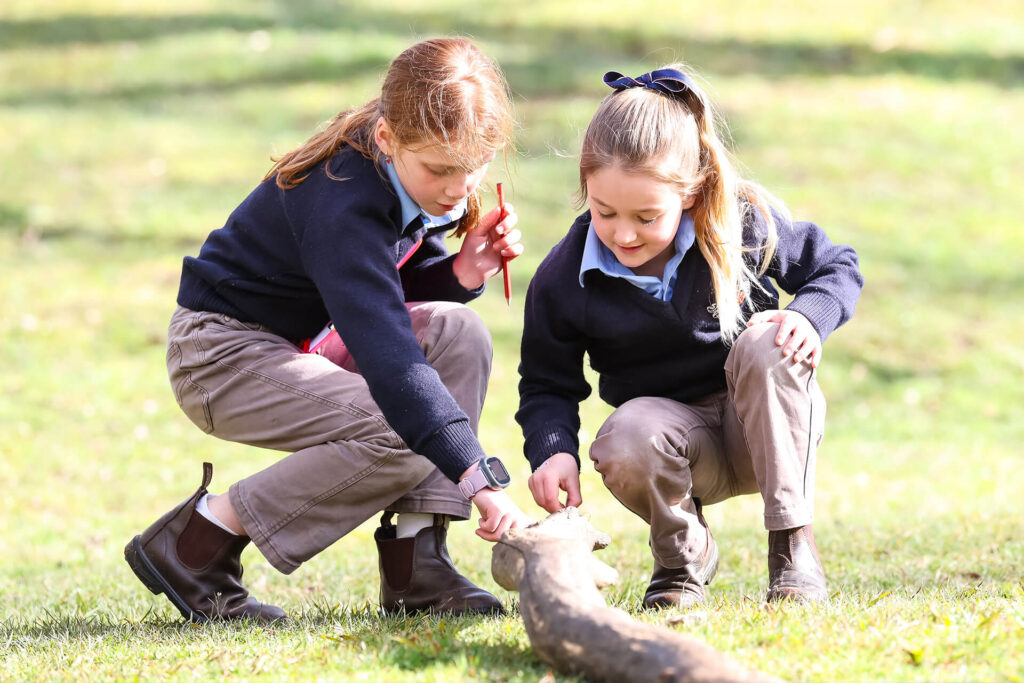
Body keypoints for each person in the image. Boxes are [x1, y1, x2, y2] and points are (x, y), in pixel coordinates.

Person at [124, 37, 533, 623]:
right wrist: (479, 475)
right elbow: (387, 351)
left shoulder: (400, 172)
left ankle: (419, 564)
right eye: (440, 170)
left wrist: (461, 271)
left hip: (300, 343)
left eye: (474, 171)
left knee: (458, 331)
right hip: (218, 354)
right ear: (389, 138)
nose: (455, 190)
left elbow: (379, 287)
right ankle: (199, 540)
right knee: (403, 423)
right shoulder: (345, 196)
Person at [516, 66, 864, 609]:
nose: (623, 233)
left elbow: (837, 267)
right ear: (586, 186)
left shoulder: (741, 225)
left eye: (646, 216)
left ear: (692, 191)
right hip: (673, 446)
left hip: (764, 432)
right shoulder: (564, 278)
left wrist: (809, 317)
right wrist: (552, 450)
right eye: (604, 212)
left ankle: (792, 546)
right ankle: (683, 559)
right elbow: (546, 384)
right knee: (622, 435)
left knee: (767, 341)